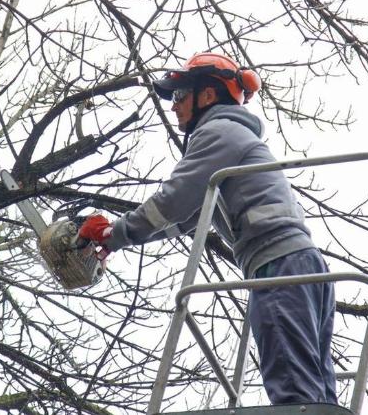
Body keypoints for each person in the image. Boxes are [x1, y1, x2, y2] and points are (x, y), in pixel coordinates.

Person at [78, 52, 337, 405]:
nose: (174, 107)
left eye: (181, 95)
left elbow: (173, 200)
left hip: (279, 271)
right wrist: (118, 239)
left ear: (209, 96)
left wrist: (113, 233)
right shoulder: (232, 141)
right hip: (298, 266)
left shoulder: (218, 132)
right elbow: (184, 220)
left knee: (296, 395)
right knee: (315, 393)